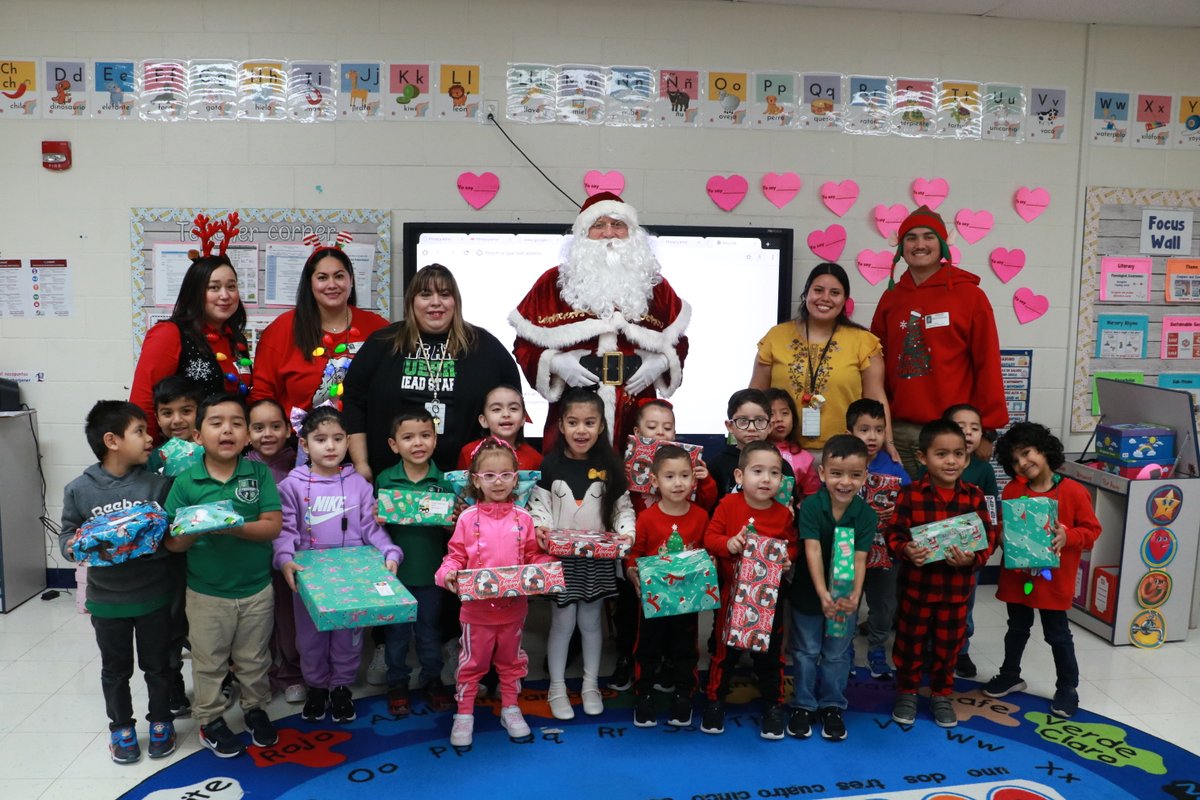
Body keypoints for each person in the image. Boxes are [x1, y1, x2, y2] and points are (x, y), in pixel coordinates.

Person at [510, 191, 691, 446]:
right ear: (584, 234)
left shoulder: (654, 285)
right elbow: (524, 346)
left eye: (617, 225)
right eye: (599, 225)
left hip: (638, 411)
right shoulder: (552, 283)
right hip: (575, 414)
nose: (608, 233)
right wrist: (555, 363)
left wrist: (660, 363)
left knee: (640, 481)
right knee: (570, 482)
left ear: (631, 232)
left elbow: (679, 341)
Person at [163, 394, 283, 758]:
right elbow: (172, 543)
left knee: (254, 657)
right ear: (198, 435)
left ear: (247, 435)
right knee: (209, 660)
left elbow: (273, 526)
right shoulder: (186, 482)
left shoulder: (258, 473)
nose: (227, 429)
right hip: (206, 593)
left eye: (236, 422)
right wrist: (195, 528)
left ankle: (255, 708)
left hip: (256, 589)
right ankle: (210, 719)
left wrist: (232, 527)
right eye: (216, 423)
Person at [59, 401, 175, 763]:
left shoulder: (159, 484)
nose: (149, 438)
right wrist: (74, 546)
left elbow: (172, 537)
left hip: (155, 595)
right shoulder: (80, 489)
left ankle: (162, 721)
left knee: (159, 665)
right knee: (115, 669)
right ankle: (121, 727)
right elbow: (67, 535)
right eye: (139, 431)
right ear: (112, 440)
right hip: (107, 601)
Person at [274, 407, 402, 724]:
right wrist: (285, 559)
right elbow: (286, 530)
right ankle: (316, 688)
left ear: (347, 442)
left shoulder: (358, 484)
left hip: (353, 577)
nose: (330, 446)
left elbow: (372, 528)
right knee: (310, 639)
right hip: (309, 578)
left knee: (349, 637)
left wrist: (390, 551)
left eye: (337, 439)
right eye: (320, 439)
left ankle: (341, 687)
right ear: (305, 445)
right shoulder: (291, 486)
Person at [344, 263, 521, 477]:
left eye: (445, 294)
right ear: (412, 301)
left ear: (455, 301)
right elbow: (354, 404)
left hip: (468, 484)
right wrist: (361, 464)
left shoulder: (484, 346)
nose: (436, 303)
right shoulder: (382, 343)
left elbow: (513, 408)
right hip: (392, 483)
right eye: (425, 294)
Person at [870, 207, 1007, 477]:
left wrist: (987, 430)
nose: (919, 244)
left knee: (951, 517)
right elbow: (876, 368)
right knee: (902, 515)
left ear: (943, 245)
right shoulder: (891, 298)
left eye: (928, 237)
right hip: (898, 433)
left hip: (951, 433)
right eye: (911, 238)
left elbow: (987, 363)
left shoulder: (970, 296)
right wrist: (878, 429)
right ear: (900, 247)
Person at [436, 438, 555, 747]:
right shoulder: (466, 519)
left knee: (511, 661)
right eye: (489, 475)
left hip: (514, 611)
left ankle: (511, 707)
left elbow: (532, 556)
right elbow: (454, 557)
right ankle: (464, 713)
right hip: (476, 614)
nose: (498, 481)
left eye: (505, 474)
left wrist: (547, 566)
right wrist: (447, 573)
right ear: (476, 479)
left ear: (516, 477)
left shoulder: (524, 519)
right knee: (472, 663)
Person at [529, 388, 636, 720]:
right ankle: (557, 687)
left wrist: (626, 533)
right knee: (562, 622)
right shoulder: (550, 464)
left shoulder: (610, 466)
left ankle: (590, 684)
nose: (581, 430)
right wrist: (541, 528)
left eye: (589, 423)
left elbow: (623, 510)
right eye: (573, 422)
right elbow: (539, 508)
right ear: (560, 425)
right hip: (562, 561)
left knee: (591, 622)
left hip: (598, 560)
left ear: (601, 426)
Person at [984, 422, 1102, 719]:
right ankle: (1010, 674)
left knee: (1058, 634)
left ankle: (1067, 687)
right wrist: (1000, 535)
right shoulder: (1013, 489)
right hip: (1018, 578)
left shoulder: (1073, 492)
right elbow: (1005, 526)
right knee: (1016, 628)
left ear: (1044, 450)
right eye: (1015, 460)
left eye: (1027, 453)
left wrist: (1068, 536)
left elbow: (1091, 530)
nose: (1023, 463)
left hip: (1053, 580)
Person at [887, 420, 996, 729]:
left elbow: (986, 538)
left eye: (958, 454)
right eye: (942, 454)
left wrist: (971, 559)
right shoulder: (910, 494)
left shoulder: (973, 496)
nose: (951, 461)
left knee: (949, 645)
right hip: (916, 589)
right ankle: (907, 690)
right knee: (910, 643)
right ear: (923, 457)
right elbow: (893, 534)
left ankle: (941, 693)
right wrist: (906, 550)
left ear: (967, 457)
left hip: (956, 591)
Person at [612, 398, 715, 692]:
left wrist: (704, 481)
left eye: (668, 427)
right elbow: (620, 506)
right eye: (652, 426)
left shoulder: (686, 465)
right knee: (631, 612)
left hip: (678, 561)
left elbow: (706, 505)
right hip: (639, 549)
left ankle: (671, 662)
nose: (660, 433)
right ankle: (627, 659)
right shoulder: (629, 466)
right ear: (637, 430)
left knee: (676, 619)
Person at [752, 262, 897, 461]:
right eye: (818, 290)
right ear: (806, 294)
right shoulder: (776, 336)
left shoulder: (863, 341)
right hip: (781, 453)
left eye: (835, 293)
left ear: (845, 300)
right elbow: (755, 396)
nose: (825, 298)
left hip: (845, 453)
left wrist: (888, 443)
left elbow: (876, 399)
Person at [702, 441, 798, 739]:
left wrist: (785, 559)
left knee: (770, 656)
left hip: (769, 599)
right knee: (724, 652)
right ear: (740, 476)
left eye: (774, 473)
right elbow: (710, 537)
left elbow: (791, 545)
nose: (766, 479)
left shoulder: (783, 514)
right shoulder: (728, 505)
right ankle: (715, 700)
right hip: (732, 594)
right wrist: (729, 544)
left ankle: (773, 704)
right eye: (758, 471)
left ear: (782, 480)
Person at [131, 213, 252, 440]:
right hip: (180, 457)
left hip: (228, 453)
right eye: (214, 287)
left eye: (231, 286)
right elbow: (144, 402)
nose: (225, 295)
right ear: (195, 293)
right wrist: (147, 458)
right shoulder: (169, 334)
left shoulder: (236, 340)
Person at [788, 435, 875, 742]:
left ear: (865, 476)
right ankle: (802, 705)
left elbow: (861, 558)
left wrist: (853, 596)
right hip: (809, 594)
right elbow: (812, 550)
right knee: (805, 651)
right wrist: (823, 594)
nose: (845, 482)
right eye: (836, 473)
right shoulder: (811, 507)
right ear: (823, 473)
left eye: (854, 475)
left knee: (837, 654)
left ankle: (832, 705)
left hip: (844, 597)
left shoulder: (865, 515)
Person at [373, 407, 456, 716]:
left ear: (435, 440)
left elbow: (453, 531)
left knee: (429, 632)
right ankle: (396, 683)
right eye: (408, 437)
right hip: (395, 577)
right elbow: (375, 530)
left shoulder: (443, 483)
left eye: (425, 435)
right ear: (394, 444)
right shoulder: (386, 479)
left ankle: (432, 679)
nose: (418, 443)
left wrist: (451, 520)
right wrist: (377, 517)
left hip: (431, 575)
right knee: (395, 636)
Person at [625, 445, 710, 728]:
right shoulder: (647, 517)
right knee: (647, 647)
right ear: (654, 481)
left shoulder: (700, 516)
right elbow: (634, 553)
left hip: (688, 601)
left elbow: (708, 555)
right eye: (670, 476)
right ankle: (644, 694)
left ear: (693, 480)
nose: (678, 483)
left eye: (684, 476)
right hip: (654, 600)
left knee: (685, 648)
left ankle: (684, 694)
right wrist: (633, 573)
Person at [250, 244, 388, 416]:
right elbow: (263, 396)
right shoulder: (282, 329)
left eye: (339, 276)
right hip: (299, 439)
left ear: (351, 280)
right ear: (310, 283)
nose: (332, 285)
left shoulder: (378, 328)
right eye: (322, 278)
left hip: (362, 438)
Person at [845, 398, 910, 680]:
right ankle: (843, 649)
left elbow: (909, 506)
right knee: (845, 601)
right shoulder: (841, 463)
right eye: (864, 429)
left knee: (883, 605)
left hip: (886, 551)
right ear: (850, 434)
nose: (872, 437)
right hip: (846, 550)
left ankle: (877, 649)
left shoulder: (895, 468)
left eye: (879, 430)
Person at [245, 398, 305, 704]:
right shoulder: (241, 468)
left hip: (288, 560)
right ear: (247, 433)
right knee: (257, 625)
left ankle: (292, 674)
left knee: (289, 621)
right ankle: (260, 678)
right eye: (258, 427)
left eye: (275, 426)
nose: (267, 433)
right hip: (251, 562)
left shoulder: (300, 464)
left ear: (288, 430)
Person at [941, 403, 999, 680]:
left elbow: (992, 508)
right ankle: (933, 648)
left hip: (969, 552)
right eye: (960, 426)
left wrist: (989, 543)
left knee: (965, 602)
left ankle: (961, 649)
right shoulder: (935, 463)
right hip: (936, 550)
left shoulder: (983, 470)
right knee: (935, 602)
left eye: (974, 428)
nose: (968, 433)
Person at [708, 388, 796, 502]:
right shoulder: (717, 465)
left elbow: (791, 503)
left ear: (770, 426)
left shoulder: (781, 465)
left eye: (759, 420)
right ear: (730, 426)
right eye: (743, 420)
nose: (751, 428)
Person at [456, 384, 542, 470]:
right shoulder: (469, 452)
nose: (506, 414)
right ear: (484, 420)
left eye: (513, 408)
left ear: (523, 419)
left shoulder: (534, 458)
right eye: (496, 409)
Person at [764, 388, 820, 498]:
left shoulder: (804, 458)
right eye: (771, 414)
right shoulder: (752, 452)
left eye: (785, 413)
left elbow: (812, 494)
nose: (779, 419)